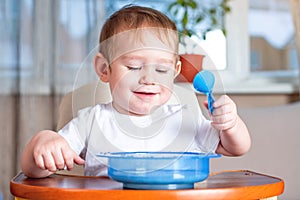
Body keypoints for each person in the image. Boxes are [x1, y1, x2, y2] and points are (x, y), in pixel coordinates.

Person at [21, 5, 251, 178]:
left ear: (175, 71)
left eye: (161, 69)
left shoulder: (186, 118)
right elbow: (34, 172)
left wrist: (230, 124)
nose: (149, 79)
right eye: (133, 67)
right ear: (104, 69)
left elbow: (235, 148)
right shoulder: (91, 121)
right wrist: (42, 142)